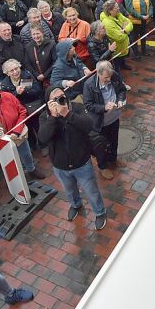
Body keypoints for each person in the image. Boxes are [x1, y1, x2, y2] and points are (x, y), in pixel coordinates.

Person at [38, 85, 107, 230]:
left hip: (82, 163)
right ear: (48, 103)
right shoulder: (45, 117)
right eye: (55, 99)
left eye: (61, 96)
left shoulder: (76, 108)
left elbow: (89, 125)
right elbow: (43, 138)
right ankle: (76, 205)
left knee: (91, 191)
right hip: (60, 166)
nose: (60, 100)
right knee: (69, 191)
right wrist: (53, 117)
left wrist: (67, 114)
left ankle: (100, 212)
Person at [0, 80, 46, 183]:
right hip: (0, 141)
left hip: (18, 135)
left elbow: (22, 112)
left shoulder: (8, 96)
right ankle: (17, 181)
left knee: (26, 155)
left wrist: (17, 131)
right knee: (9, 162)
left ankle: (31, 170)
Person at [81, 60, 126, 181]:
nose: (109, 80)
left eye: (110, 76)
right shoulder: (89, 85)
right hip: (100, 122)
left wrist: (121, 100)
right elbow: (88, 105)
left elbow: (122, 89)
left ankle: (113, 160)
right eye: (106, 77)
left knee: (114, 141)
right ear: (98, 74)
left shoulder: (114, 75)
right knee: (100, 145)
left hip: (114, 118)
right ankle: (103, 166)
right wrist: (104, 107)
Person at [99, 0, 132, 71]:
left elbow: (130, 23)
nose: (118, 8)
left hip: (123, 46)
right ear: (110, 11)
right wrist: (127, 30)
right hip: (117, 49)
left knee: (122, 59)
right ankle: (118, 77)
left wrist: (125, 30)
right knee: (116, 64)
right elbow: (120, 37)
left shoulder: (118, 14)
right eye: (116, 7)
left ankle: (123, 65)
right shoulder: (107, 23)